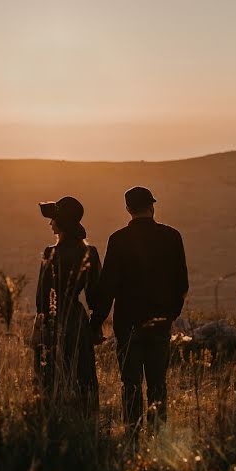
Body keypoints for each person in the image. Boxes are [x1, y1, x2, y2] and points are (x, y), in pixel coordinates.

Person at [91, 186, 188, 437]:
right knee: (158, 384)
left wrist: (97, 320)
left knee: (131, 384)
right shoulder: (172, 237)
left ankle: (132, 435)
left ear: (128, 209)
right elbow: (182, 283)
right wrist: (171, 314)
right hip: (160, 324)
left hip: (128, 324)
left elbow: (108, 285)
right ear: (152, 206)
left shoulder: (118, 239)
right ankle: (157, 437)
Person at [33, 196, 101, 414]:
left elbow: (42, 297)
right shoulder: (89, 252)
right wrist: (96, 325)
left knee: (51, 374)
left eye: (53, 219)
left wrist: (39, 325)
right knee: (82, 373)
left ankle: (54, 415)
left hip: (53, 320)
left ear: (60, 222)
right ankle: (86, 416)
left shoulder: (50, 252)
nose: (49, 223)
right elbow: (95, 295)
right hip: (77, 320)